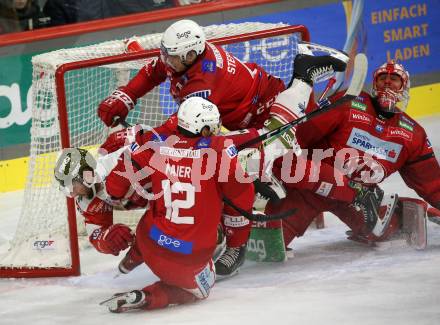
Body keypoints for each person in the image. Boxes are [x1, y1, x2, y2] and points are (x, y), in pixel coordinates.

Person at [97, 18, 349, 271]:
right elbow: (154, 70)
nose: (166, 61)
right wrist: (126, 95)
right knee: (245, 172)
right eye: (167, 54)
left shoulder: (202, 83)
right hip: (240, 121)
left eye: (172, 57)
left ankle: (304, 78)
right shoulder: (184, 58)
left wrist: (135, 138)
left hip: (266, 114)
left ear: (192, 54)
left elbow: (180, 129)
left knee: (270, 166)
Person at [263, 60, 440, 253]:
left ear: (404, 87)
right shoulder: (348, 104)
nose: (388, 83)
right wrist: (276, 170)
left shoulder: (413, 135)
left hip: (359, 199)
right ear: (374, 84)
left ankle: (402, 209)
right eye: (383, 78)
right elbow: (300, 138)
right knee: (272, 241)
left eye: (394, 79)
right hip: (310, 190)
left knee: (389, 231)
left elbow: (431, 181)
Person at [99, 97, 254, 312]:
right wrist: (237, 243)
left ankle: (132, 258)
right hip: (186, 258)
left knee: (154, 212)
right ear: (206, 129)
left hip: (149, 240)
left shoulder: (155, 145)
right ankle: (146, 296)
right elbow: (242, 201)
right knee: (200, 292)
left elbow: (114, 187)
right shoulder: (220, 153)